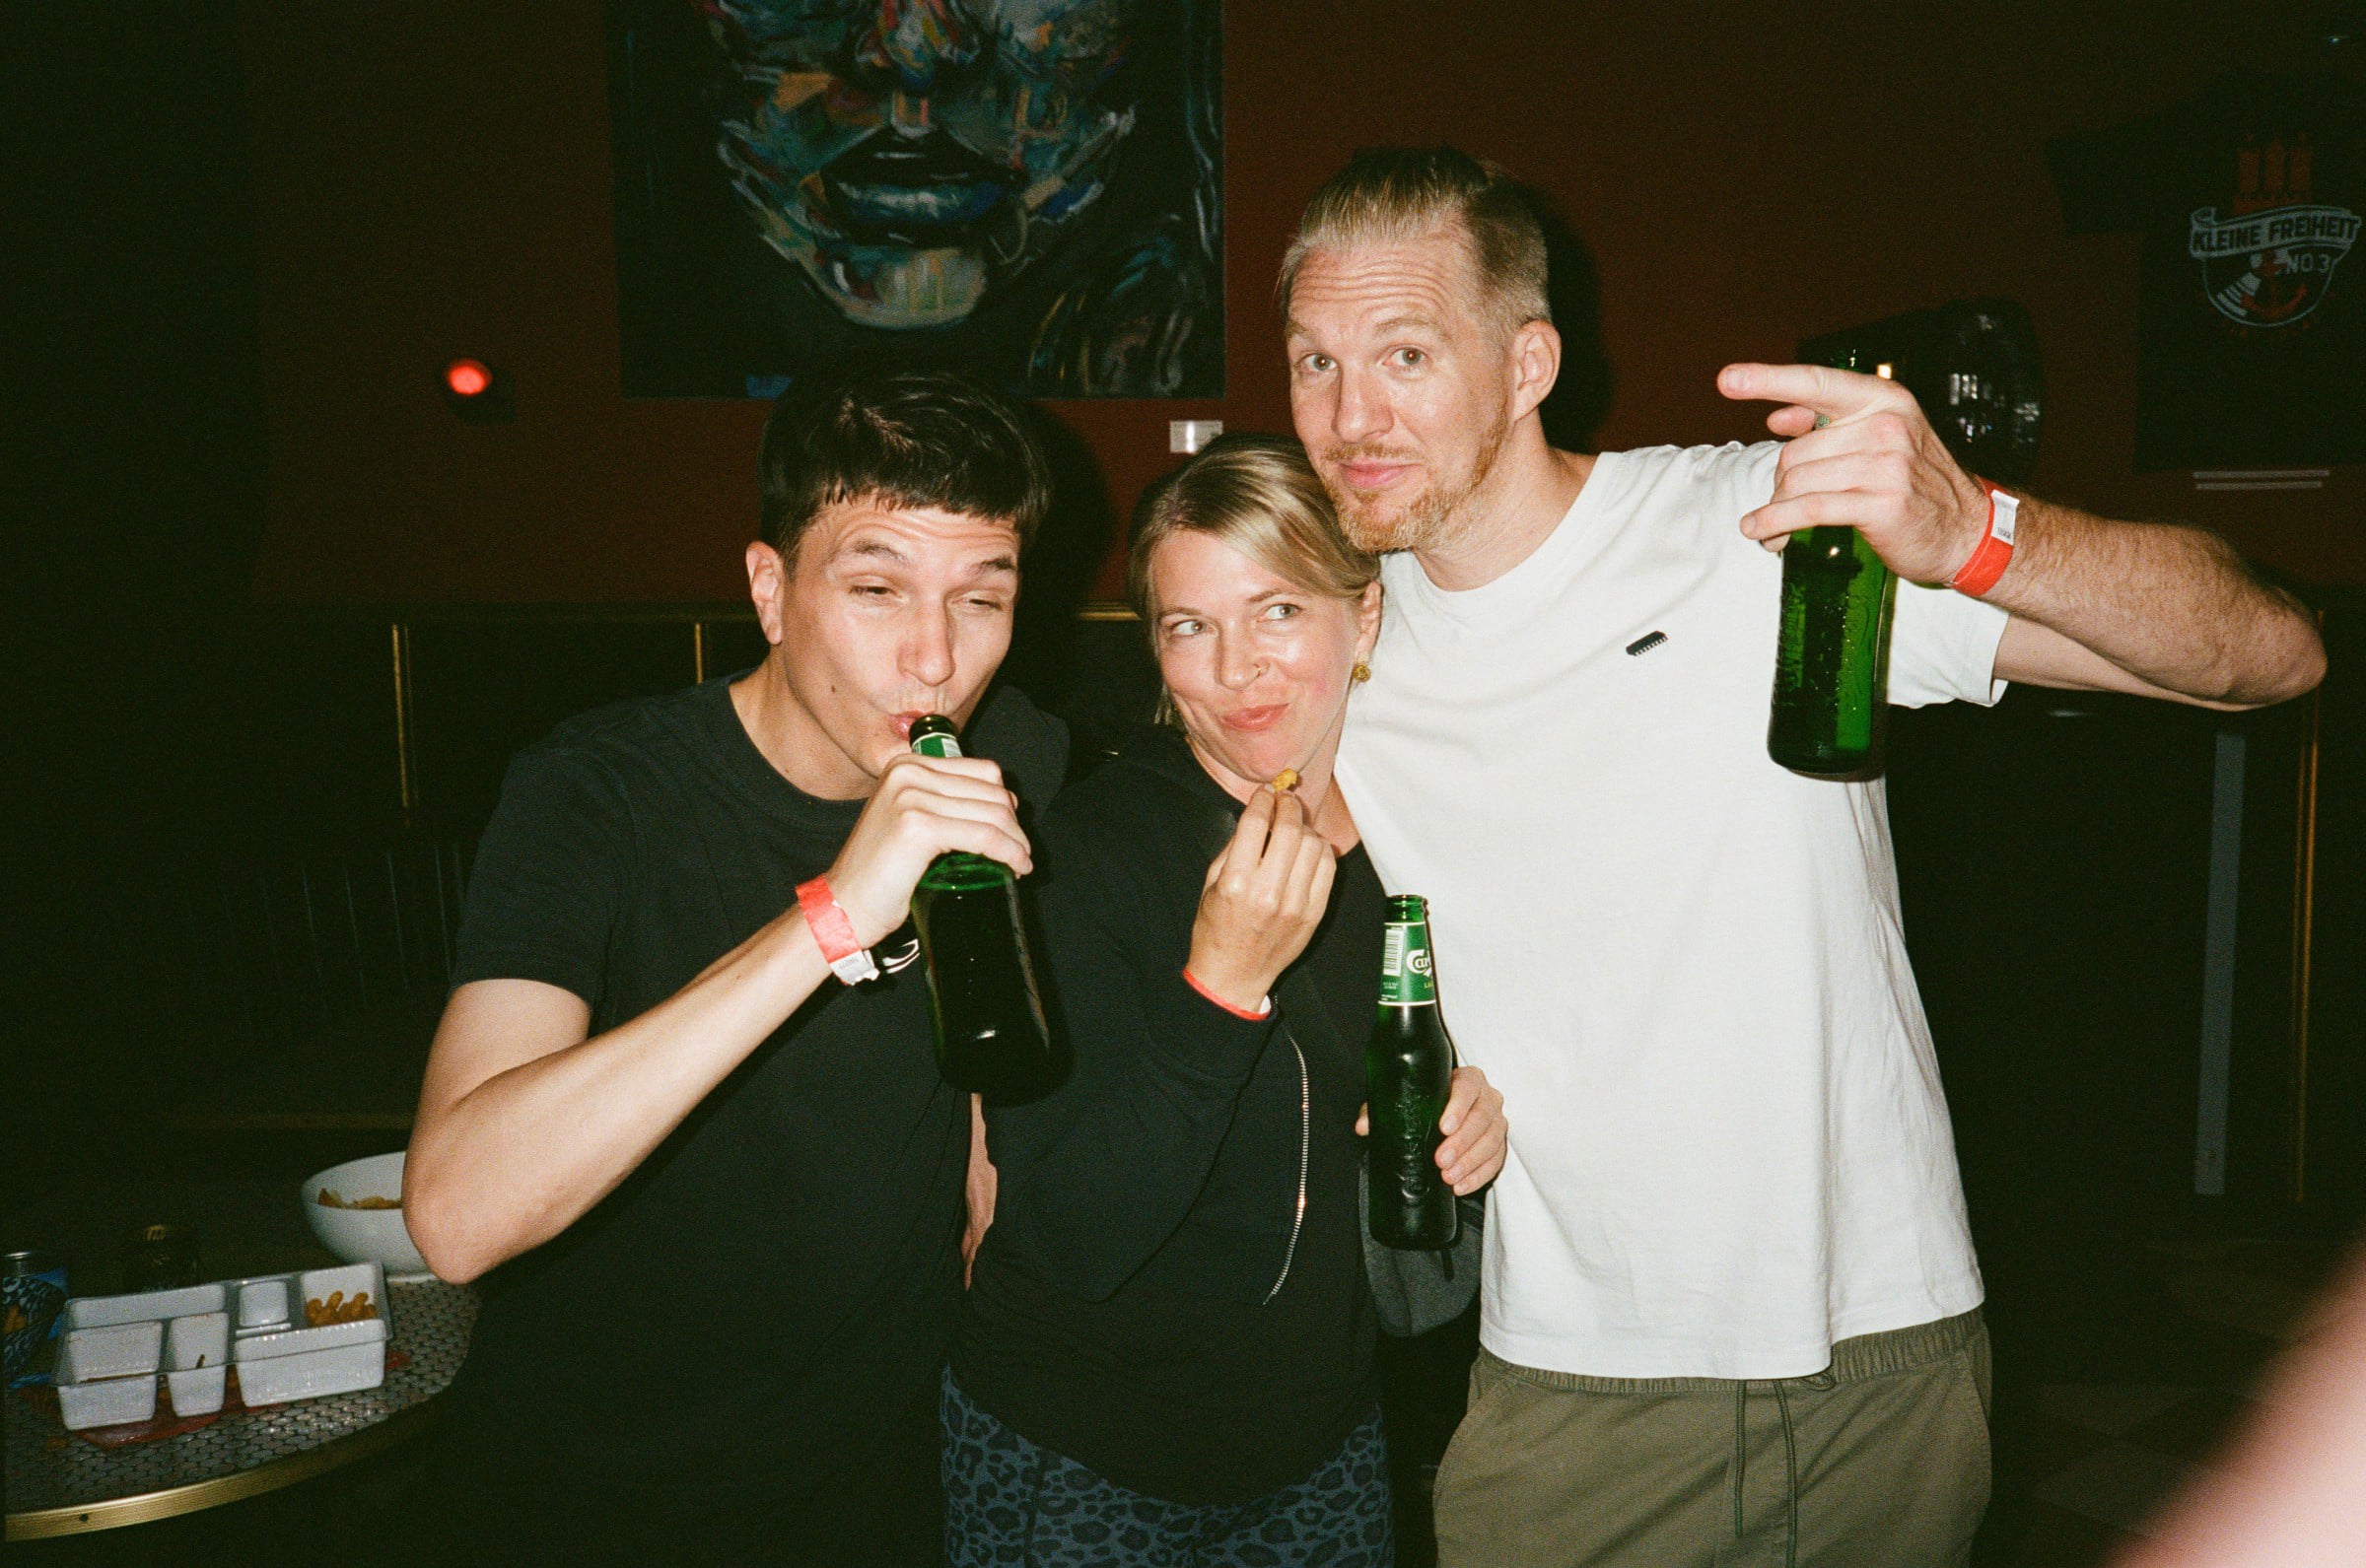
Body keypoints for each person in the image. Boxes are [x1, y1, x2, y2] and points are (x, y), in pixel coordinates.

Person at [1277, 147, 2329, 1568]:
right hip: (1571, 1387)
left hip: (1878, 1351)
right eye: (1316, 362)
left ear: (1529, 364)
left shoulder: (1760, 528)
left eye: (1405, 355)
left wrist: (1975, 532)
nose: (1352, 416)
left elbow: (2270, 655)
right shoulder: (1331, 651)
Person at [402, 367, 1069, 1564]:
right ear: (770, 591)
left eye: (982, 597)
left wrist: (985, 1141)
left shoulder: (1016, 757)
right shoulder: (597, 792)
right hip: (583, 1497)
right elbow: (457, 1213)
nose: (934, 660)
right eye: (876, 588)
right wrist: (834, 917)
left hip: (876, 1490)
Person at [943, 434, 1509, 1567]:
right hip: (1082, 1456)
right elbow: (1063, 1238)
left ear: (1366, 616)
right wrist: (1222, 987)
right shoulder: (1085, 857)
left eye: (1278, 611)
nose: (1238, 668)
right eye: (1189, 627)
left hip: (1325, 1448)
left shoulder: (1426, 847)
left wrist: (1474, 1129)